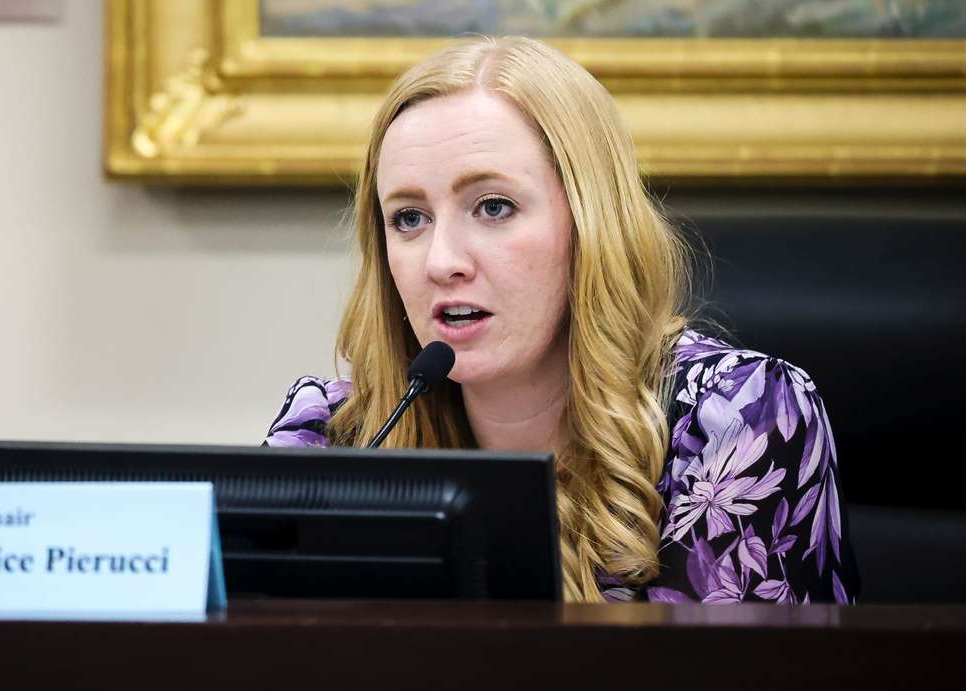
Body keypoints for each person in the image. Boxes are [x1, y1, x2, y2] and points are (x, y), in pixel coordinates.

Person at [264, 36, 858, 604]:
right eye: (409, 218)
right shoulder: (337, 436)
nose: (442, 262)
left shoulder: (734, 420)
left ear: (590, 226)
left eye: (494, 207)